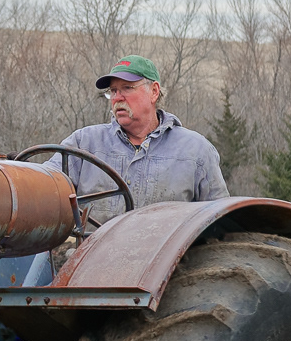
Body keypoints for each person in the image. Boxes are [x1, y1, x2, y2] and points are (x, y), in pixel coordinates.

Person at [49, 55, 229, 221]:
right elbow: (44, 184)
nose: (117, 98)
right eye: (113, 90)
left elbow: (220, 220)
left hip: (167, 256)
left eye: (127, 88)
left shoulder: (196, 150)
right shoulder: (84, 143)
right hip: (93, 252)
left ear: (154, 91)